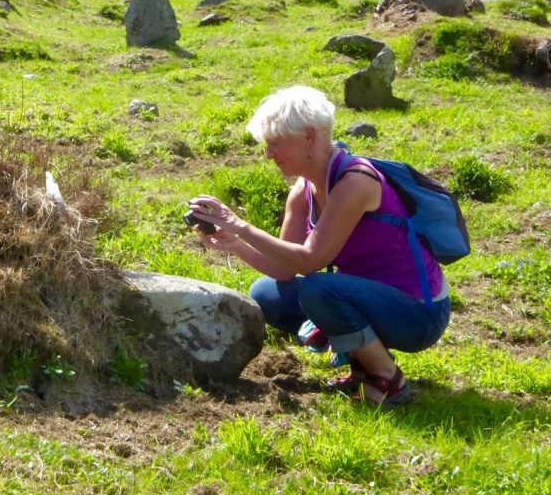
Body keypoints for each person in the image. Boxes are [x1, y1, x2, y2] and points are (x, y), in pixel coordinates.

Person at [187, 86, 450, 406]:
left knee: (317, 289)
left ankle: (388, 379)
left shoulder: (356, 182)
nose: (269, 154)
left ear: (308, 136)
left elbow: (310, 260)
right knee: (267, 294)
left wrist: (239, 224)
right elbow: (285, 269)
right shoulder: (304, 190)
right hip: (368, 298)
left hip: (419, 315)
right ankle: (361, 361)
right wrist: (233, 243)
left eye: (274, 144)